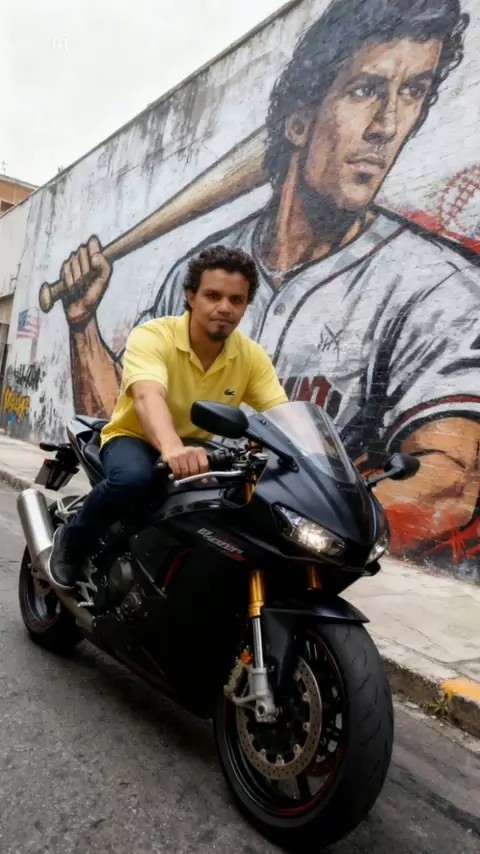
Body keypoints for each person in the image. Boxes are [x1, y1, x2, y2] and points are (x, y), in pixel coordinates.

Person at [54, 0, 480, 561]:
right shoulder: (162, 327)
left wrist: (315, 512)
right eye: (365, 90)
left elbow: (449, 479)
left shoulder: (440, 289)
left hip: (235, 480)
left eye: (413, 92)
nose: (387, 125)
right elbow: (138, 400)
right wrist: (84, 326)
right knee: (133, 482)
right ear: (299, 121)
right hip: (146, 443)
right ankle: (69, 552)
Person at [47, 246, 288, 590]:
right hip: (135, 438)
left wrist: (322, 464)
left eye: (237, 300)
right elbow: (148, 396)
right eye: (213, 295)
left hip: (194, 449)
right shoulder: (154, 335)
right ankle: (72, 541)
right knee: (132, 480)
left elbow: (282, 415)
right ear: (191, 296)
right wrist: (171, 447)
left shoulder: (251, 357)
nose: (225, 307)